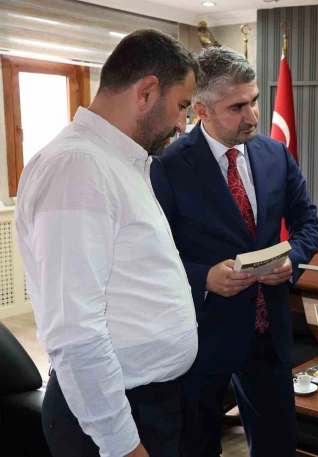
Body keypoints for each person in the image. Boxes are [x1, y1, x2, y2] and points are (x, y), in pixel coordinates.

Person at [14, 29, 200, 457]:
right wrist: (121, 443)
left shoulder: (119, 160)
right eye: (182, 106)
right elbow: (75, 331)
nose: (182, 124)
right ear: (146, 92)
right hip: (113, 415)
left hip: (146, 401)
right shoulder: (78, 167)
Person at [150, 46, 318, 457]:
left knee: (278, 446)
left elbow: (309, 223)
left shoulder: (275, 154)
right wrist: (204, 277)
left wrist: (292, 260)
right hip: (202, 336)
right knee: (198, 447)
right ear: (202, 111)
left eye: (254, 101)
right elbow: (152, 255)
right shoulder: (166, 166)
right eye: (237, 107)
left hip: (269, 333)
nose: (253, 117)